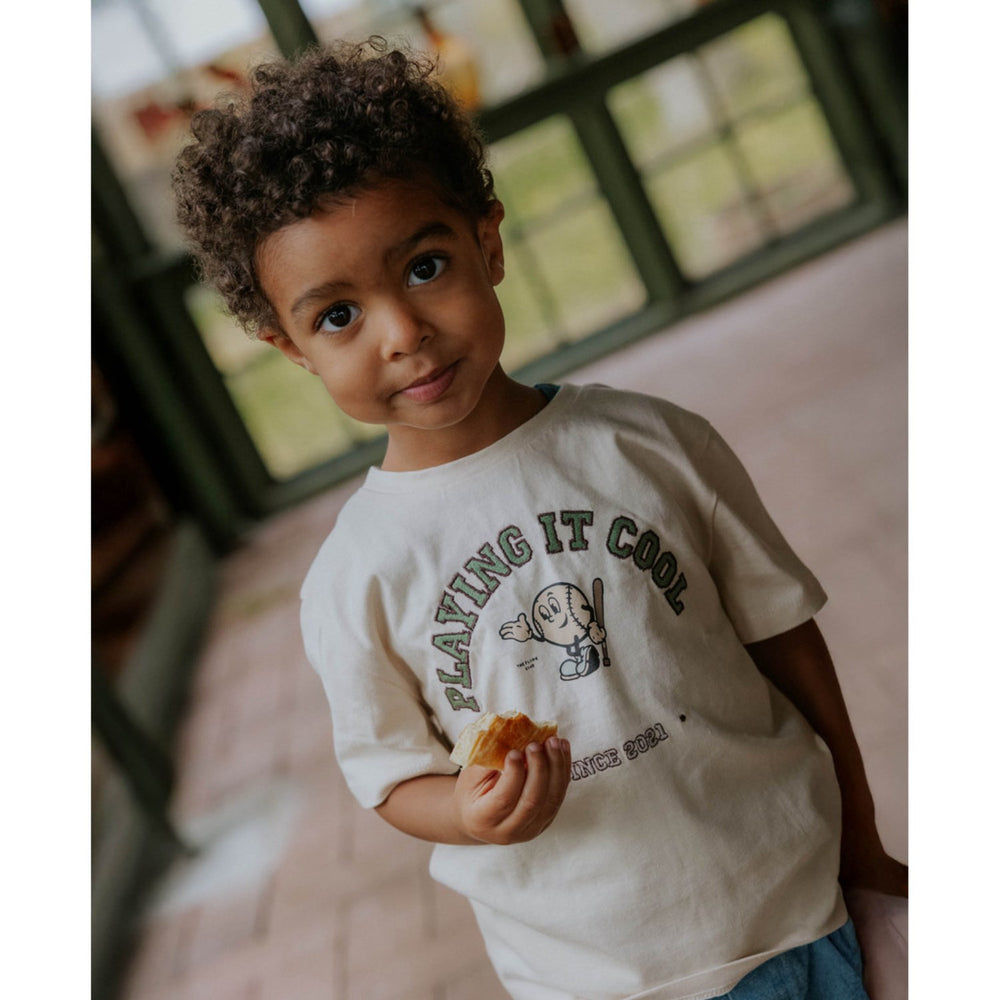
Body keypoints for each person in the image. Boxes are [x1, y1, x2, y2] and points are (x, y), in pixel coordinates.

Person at [172, 38, 907, 1000]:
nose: (401, 332)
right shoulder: (356, 578)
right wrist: (466, 813)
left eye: (425, 265)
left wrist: (864, 846)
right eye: (338, 316)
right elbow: (393, 775)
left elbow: (789, 643)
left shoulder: (652, 444)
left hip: (801, 909)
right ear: (292, 349)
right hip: (597, 979)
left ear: (488, 243)